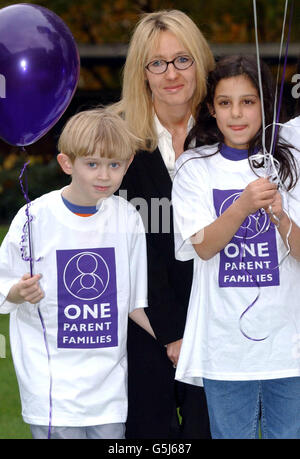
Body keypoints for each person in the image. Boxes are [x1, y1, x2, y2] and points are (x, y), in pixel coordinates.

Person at [0, 108, 155, 439]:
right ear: (67, 163)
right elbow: (3, 286)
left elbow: (135, 304)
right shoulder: (33, 218)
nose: (104, 175)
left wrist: (178, 342)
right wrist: (16, 292)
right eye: (92, 164)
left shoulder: (127, 218)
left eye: (114, 165)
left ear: (127, 164)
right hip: (53, 394)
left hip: (109, 394)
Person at [172, 54, 300, 439]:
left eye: (248, 101)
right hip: (225, 349)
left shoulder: (288, 161)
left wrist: (280, 217)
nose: (237, 114)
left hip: (288, 346)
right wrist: (243, 205)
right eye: (225, 103)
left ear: (265, 106)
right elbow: (204, 246)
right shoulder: (193, 167)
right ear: (211, 109)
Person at [110, 10, 214, 438]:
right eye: (157, 63)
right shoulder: (115, 139)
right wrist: (170, 333)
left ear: (200, 62)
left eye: (182, 59)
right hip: (141, 327)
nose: (171, 73)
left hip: (214, 325)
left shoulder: (225, 131)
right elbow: (123, 249)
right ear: (143, 73)